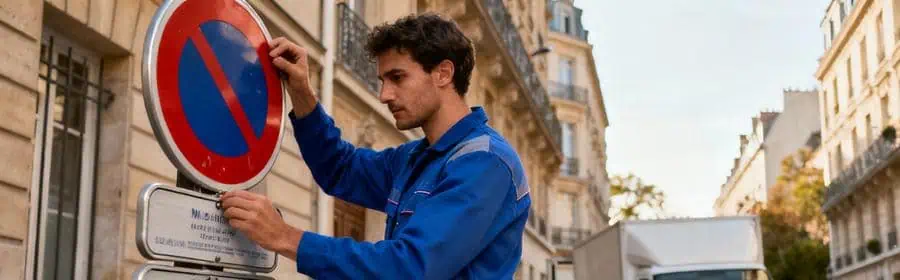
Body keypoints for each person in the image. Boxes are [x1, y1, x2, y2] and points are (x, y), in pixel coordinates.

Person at [220, 13, 531, 279]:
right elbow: (340, 169)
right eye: (383, 81)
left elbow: (409, 267)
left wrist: (285, 237)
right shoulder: (413, 158)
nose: (384, 95)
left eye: (397, 77)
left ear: (443, 73)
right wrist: (301, 92)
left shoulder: (486, 162)